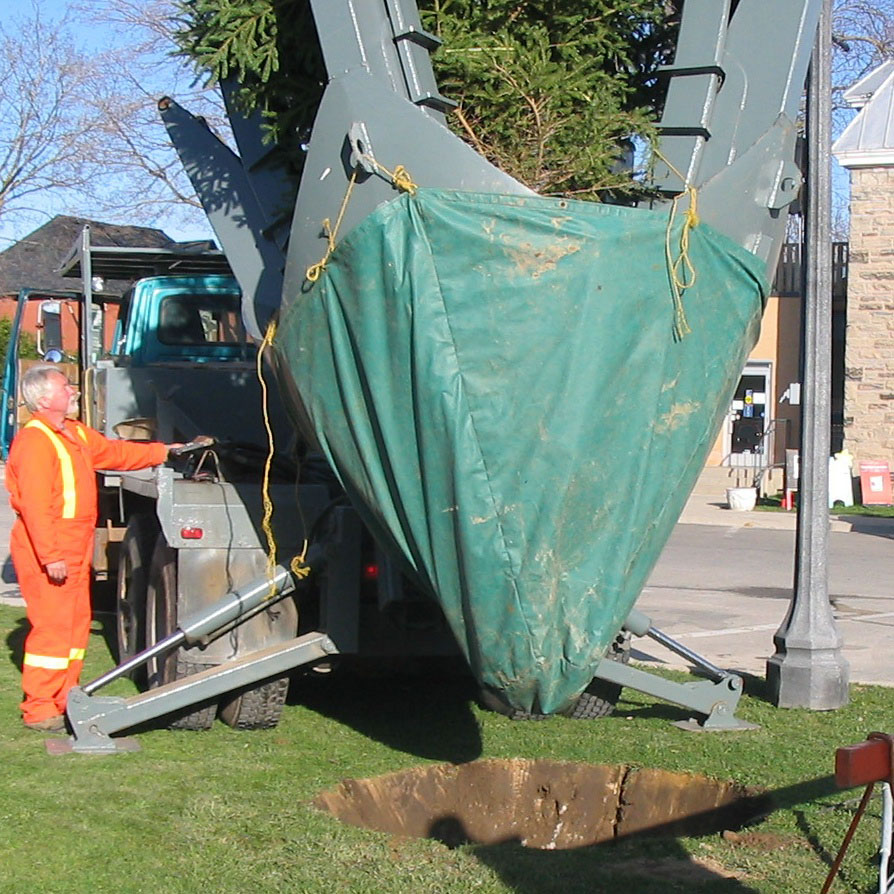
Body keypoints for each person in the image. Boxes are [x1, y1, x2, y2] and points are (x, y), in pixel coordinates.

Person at [5, 365, 181, 732]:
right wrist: (51, 555)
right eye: (65, 387)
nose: (74, 391)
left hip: (72, 545)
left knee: (74, 625)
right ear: (44, 399)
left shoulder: (73, 433)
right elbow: (36, 507)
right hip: (51, 547)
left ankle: (66, 696)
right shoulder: (36, 441)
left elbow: (115, 453)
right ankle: (39, 709)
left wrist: (164, 452)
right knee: (53, 630)